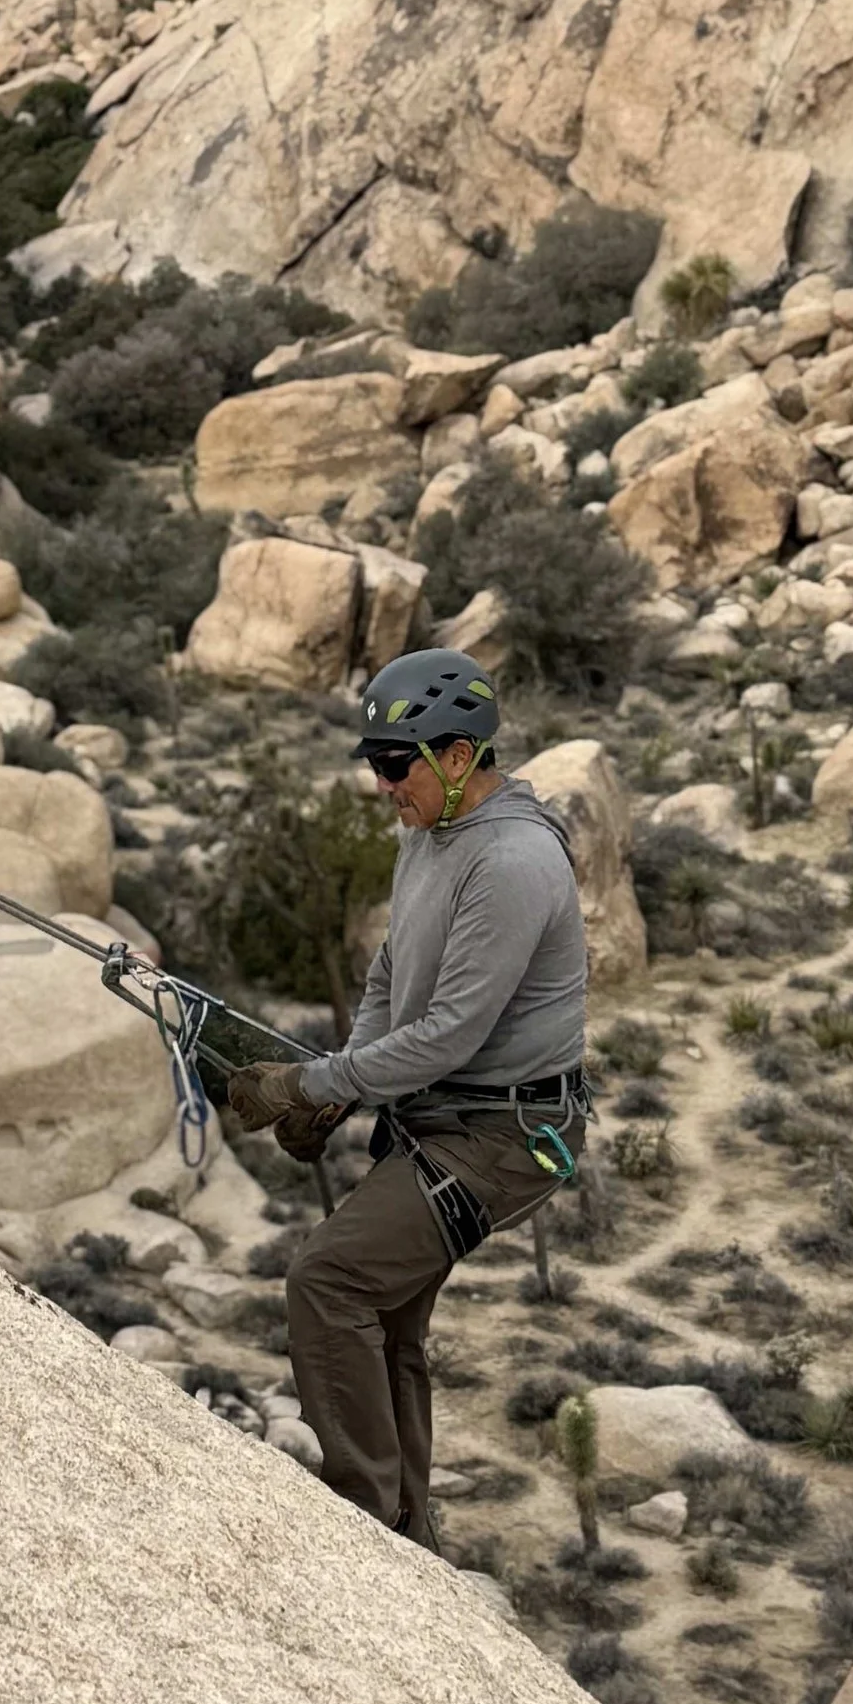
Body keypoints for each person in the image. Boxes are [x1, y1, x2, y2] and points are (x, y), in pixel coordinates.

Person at [227, 648, 588, 1537]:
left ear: (458, 758)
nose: (385, 785)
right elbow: (392, 972)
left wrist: (305, 1082)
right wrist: (345, 1086)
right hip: (443, 1113)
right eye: (378, 765)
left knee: (328, 1278)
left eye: (398, 766)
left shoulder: (509, 861)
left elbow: (450, 1035)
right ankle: (402, 1524)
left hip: (504, 1134)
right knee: (382, 1312)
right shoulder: (430, 836)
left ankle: (364, 1521)